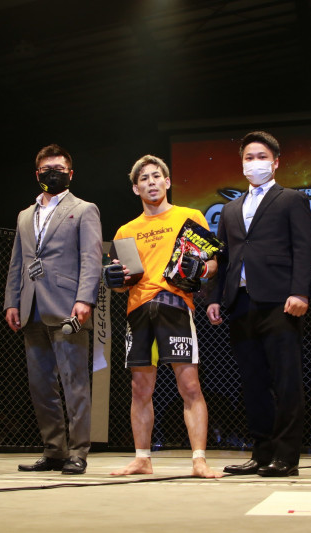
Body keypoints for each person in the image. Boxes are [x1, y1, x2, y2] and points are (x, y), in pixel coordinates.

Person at [103, 155, 222, 479]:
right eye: (144, 178)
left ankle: (199, 460)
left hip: (175, 305)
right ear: (135, 188)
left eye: (156, 176)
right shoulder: (126, 230)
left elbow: (212, 264)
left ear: (167, 181)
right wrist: (113, 280)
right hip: (139, 309)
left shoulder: (189, 216)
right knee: (140, 389)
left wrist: (202, 269)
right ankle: (142, 458)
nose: (151, 182)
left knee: (190, 386)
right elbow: (123, 282)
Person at [206, 131, 311, 477]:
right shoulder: (230, 209)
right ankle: (261, 452)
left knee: (286, 381)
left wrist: (300, 292)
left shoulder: (291, 199)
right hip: (240, 303)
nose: (255, 163)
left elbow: (304, 248)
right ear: (242, 164)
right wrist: (214, 298)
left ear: (276, 162)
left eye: (262, 157)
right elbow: (223, 257)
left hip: (280, 301)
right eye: (249, 158)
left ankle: (286, 456)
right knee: (252, 382)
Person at [5, 144, 102, 475]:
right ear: (37, 174)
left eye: (59, 169)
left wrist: (85, 299)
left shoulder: (84, 209)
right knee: (40, 384)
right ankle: (54, 450)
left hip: (68, 308)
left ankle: (78, 451)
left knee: (74, 381)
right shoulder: (24, 215)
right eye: (47, 169)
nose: (53, 173)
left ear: (70, 173)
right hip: (31, 307)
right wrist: (12, 301)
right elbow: (17, 262)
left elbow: (91, 258)